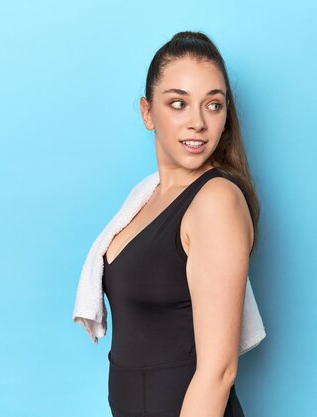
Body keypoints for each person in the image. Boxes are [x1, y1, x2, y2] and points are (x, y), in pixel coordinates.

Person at [102, 31, 261, 417]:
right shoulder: (147, 198)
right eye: (178, 103)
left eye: (213, 105)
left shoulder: (216, 201)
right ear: (147, 112)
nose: (198, 122)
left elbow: (218, 372)